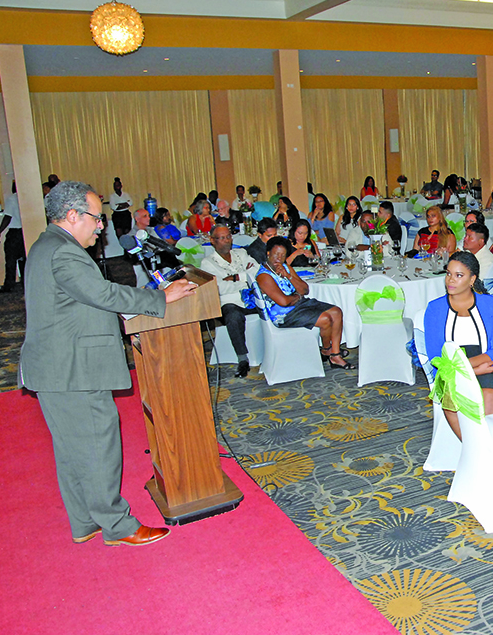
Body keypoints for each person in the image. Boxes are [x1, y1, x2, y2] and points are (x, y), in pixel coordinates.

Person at [21, 181, 197, 546]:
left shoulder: (47, 245)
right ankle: (119, 526)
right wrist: (160, 297)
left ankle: (85, 521)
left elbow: (77, 303)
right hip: (73, 369)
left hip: (56, 366)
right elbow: (102, 293)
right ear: (73, 216)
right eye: (96, 219)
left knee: (72, 449)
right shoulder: (64, 252)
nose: (101, 227)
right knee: (98, 444)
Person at [424, 251, 493, 441]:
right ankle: (477, 448)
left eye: (458, 275)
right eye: (448, 273)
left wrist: (471, 366)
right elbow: (437, 357)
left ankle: (480, 450)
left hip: (487, 364)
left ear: (472, 280)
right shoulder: (435, 308)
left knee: (489, 396)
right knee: (450, 400)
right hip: (452, 370)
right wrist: (473, 370)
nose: (450, 280)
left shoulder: (488, 304)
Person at [255, 237, 353, 369]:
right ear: (268, 253)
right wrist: (296, 296)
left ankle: (334, 354)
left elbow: (305, 289)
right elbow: (283, 302)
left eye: (283, 255)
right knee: (325, 319)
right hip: (283, 314)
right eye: (276, 254)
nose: (279, 258)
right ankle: (327, 350)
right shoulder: (264, 276)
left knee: (336, 312)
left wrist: (288, 276)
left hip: (298, 305)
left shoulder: (285, 267)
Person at [200, 226, 260, 378]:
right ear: (212, 240)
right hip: (229, 303)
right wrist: (246, 278)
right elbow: (219, 288)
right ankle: (242, 358)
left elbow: (257, 271)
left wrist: (236, 277)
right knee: (233, 316)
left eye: (228, 237)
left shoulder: (241, 253)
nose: (227, 241)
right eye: (222, 238)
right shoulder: (208, 263)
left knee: (273, 303)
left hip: (251, 299)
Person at [0, 181, 24, 293]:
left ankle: (9, 285)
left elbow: (7, 217)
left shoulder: (12, 199)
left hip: (14, 233)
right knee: (24, 260)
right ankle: (25, 283)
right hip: (24, 232)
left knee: (11, 260)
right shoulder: (25, 199)